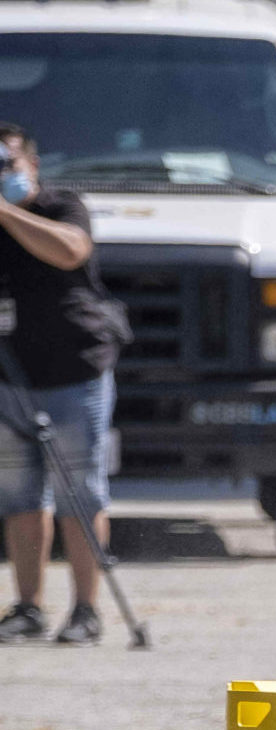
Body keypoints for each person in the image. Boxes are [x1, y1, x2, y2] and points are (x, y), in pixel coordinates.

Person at [0, 122, 122, 646]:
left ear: (31, 165)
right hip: (10, 379)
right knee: (20, 495)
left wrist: (5, 210)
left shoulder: (59, 206)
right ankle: (28, 606)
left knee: (80, 490)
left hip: (73, 372)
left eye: (7, 164)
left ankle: (86, 610)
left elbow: (71, 251)